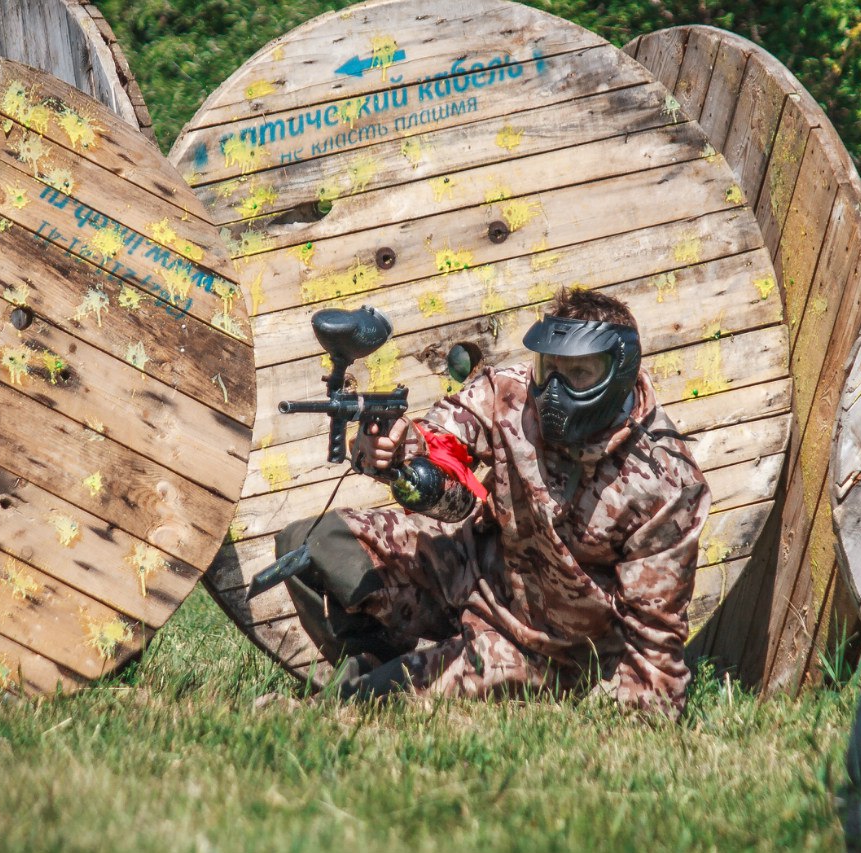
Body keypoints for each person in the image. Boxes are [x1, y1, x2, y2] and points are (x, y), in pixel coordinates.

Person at [272, 287, 710, 719]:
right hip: (472, 573)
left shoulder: (665, 484)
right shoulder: (512, 392)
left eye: (579, 372)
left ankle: (371, 688)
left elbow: (654, 641)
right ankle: (372, 660)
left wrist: (634, 721)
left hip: (546, 650)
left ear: (620, 371)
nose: (554, 388)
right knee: (312, 545)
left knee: (376, 701)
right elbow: (446, 441)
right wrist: (401, 450)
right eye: (549, 367)